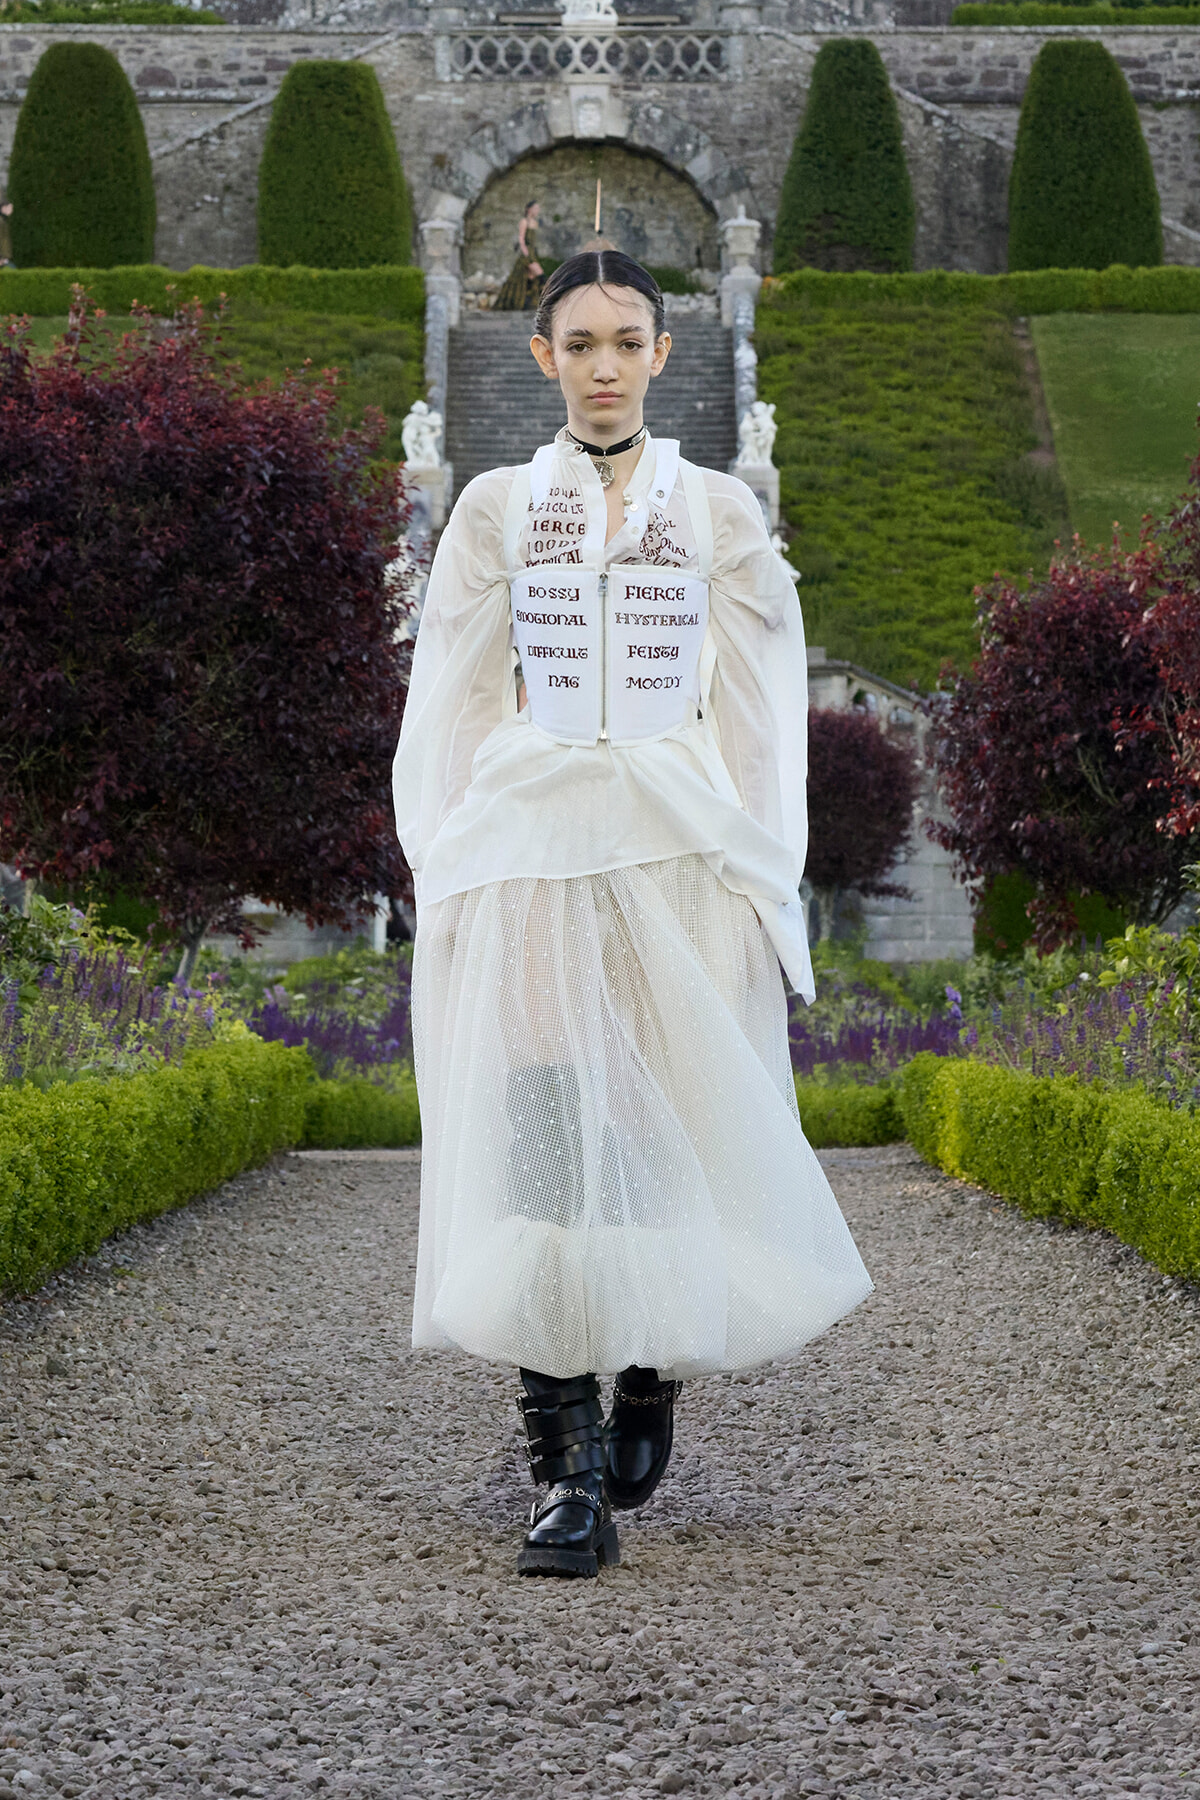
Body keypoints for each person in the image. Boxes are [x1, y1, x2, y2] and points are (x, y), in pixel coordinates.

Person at [392, 250, 872, 1579]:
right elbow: (456, 688)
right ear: (542, 357)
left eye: (627, 341)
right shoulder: (495, 507)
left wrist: (763, 863)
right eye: (580, 341)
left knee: (666, 1115)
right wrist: (450, 847)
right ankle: (568, 1473)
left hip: (675, 843)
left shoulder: (716, 512)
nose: (604, 365)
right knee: (549, 1123)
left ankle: (651, 1365)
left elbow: (766, 697)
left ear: (664, 354)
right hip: (538, 837)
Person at [494, 200, 543, 312]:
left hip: (533, 251)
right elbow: (521, 238)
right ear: (529, 209)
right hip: (527, 252)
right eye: (535, 208)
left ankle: (526, 303)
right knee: (540, 275)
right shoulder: (524, 221)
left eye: (538, 208)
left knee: (529, 277)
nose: (537, 210)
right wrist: (525, 253)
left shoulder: (535, 223)